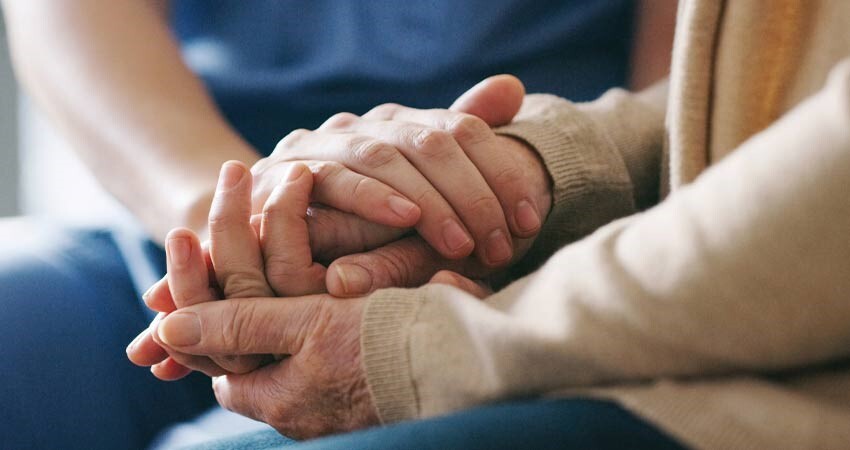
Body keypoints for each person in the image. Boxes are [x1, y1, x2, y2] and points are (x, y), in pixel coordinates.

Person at [134, 0, 850, 449]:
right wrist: (536, 167)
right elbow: (761, 90)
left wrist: (431, 349)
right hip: (272, 206)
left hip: (784, 384)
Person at [0, 1, 676, 449]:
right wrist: (234, 221)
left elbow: (694, 96)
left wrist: (519, 209)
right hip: (187, 211)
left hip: (530, 227)